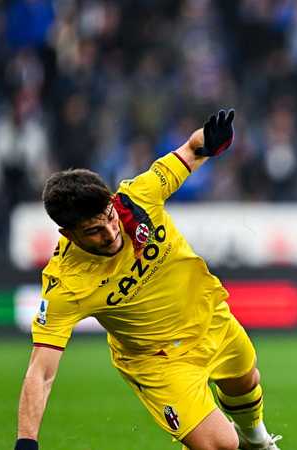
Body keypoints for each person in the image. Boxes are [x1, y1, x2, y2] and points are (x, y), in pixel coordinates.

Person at [14, 110, 282, 450]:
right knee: (221, 445)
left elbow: (192, 150)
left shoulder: (139, 196)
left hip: (209, 315)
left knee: (245, 379)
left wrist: (212, 141)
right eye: (94, 231)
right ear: (68, 234)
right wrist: (26, 442)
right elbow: (41, 371)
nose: (111, 233)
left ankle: (258, 442)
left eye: (109, 217)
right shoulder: (66, 283)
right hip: (159, 361)